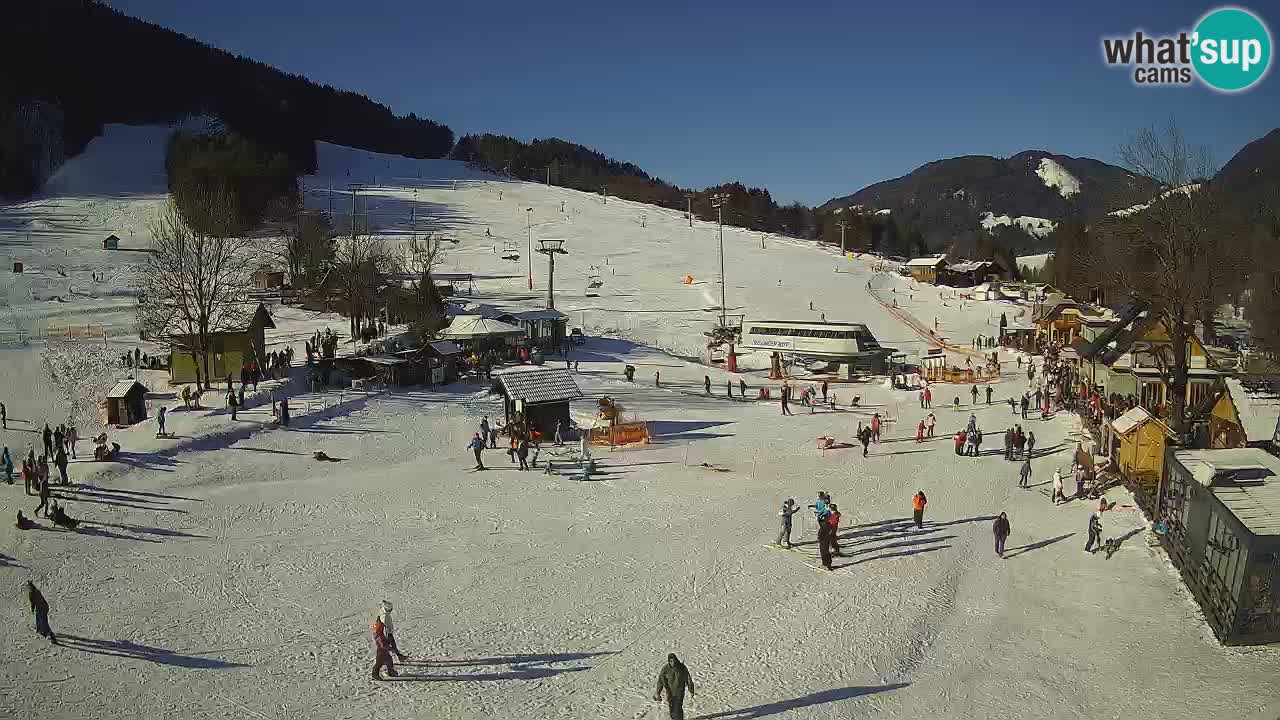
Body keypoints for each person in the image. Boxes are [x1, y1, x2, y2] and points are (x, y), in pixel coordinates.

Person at [654, 653, 695, 720]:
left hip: (679, 692)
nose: (672, 663)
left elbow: (688, 679)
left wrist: (691, 690)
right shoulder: (665, 669)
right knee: (672, 709)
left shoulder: (682, 667)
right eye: (670, 661)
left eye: (673, 661)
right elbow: (660, 681)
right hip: (670, 692)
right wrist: (658, 693)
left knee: (677, 709)